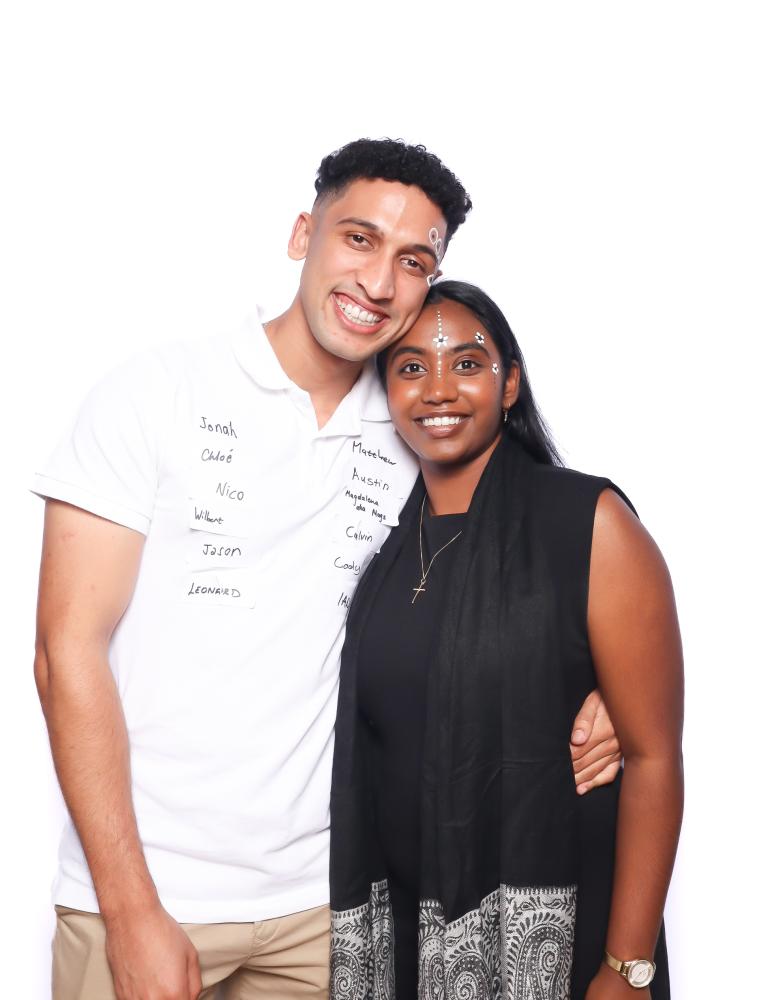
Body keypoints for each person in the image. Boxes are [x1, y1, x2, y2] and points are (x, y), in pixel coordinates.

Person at [33, 140, 623, 1000]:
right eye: (358, 239)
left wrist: (604, 680)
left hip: (332, 913)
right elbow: (66, 653)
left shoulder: (419, 417)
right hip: (150, 897)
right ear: (302, 234)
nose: (379, 282)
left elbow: (533, 547)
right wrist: (129, 911)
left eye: (412, 261)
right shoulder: (154, 394)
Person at [329, 281, 683, 999]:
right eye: (410, 368)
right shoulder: (382, 546)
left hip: (561, 940)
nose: (437, 390)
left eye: (466, 364)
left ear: (509, 383)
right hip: (405, 933)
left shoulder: (587, 523)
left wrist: (626, 969)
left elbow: (654, 757)